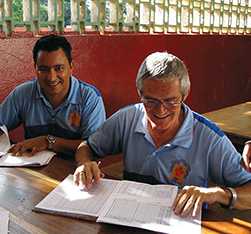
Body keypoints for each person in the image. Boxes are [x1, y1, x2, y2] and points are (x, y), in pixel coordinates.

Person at [74, 52, 251, 218]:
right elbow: (87, 147)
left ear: (185, 95)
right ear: (139, 93)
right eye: (151, 101)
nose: (160, 111)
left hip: (178, 222)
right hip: (127, 218)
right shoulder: (127, 119)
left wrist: (218, 194)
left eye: (170, 101)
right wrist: (84, 163)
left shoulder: (209, 139)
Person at [0, 34, 105, 157]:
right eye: (44, 69)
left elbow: (94, 147)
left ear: (71, 67)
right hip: (31, 168)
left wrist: (48, 141)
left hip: (73, 172)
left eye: (59, 68)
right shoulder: (24, 93)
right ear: (35, 68)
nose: (52, 77)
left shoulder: (89, 98)